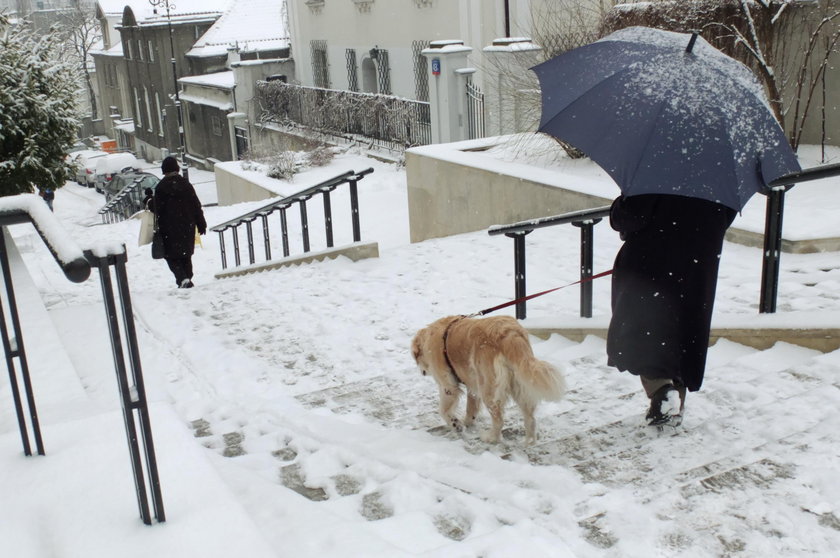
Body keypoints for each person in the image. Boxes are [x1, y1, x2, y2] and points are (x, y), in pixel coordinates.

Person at [606, 194, 736, 426]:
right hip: (697, 265)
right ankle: (675, 394)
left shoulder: (655, 171)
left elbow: (628, 218)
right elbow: (725, 216)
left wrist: (619, 205)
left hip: (651, 263)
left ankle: (662, 389)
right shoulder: (718, 176)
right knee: (686, 326)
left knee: (646, 329)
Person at [153, 156, 206, 288]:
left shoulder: (161, 187)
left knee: (171, 255)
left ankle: (183, 279)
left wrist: (148, 200)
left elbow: (156, 208)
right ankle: (187, 277)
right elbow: (196, 205)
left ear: (164, 171)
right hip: (187, 225)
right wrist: (201, 223)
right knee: (186, 254)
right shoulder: (186, 185)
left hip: (168, 227)